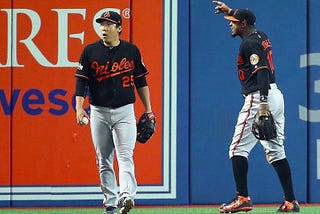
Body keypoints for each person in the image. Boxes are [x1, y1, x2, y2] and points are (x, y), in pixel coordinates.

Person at [212, 1, 300, 213]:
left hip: (260, 96)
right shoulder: (260, 35)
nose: (230, 25)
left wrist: (261, 105)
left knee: (237, 149)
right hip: (276, 95)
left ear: (243, 24)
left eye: (233, 22)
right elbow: (247, 21)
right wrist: (231, 11)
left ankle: (242, 198)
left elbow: (261, 72)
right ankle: (291, 202)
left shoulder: (248, 44)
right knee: (276, 151)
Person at [74, 10, 154, 214]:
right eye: (102, 24)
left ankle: (126, 196)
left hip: (125, 111)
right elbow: (81, 82)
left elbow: (141, 82)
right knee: (104, 160)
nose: (104, 28)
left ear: (119, 28)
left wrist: (149, 110)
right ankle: (110, 203)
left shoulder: (131, 50)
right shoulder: (90, 51)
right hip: (98, 112)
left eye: (109, 24)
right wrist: (79, 108)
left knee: (125, 155)